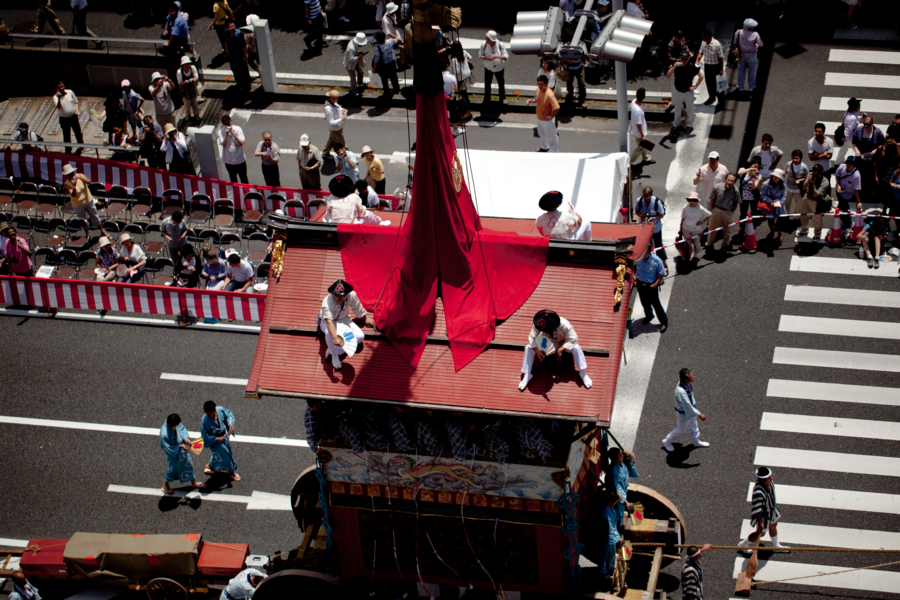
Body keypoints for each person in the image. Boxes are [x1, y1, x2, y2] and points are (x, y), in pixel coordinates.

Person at [519, 309, 592, 391]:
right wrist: (537, 351)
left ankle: (582, 372)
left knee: (576, 347)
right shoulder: (539, 323)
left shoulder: (564, 324)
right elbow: (531, 338)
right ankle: (527, 374)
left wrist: (560, 350)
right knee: (527, 348)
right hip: (546, 343)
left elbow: (573, 338)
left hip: (563, 343)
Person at [319, 278, 373, 370]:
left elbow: (357, 307)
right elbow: (329, 322)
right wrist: (335, 338)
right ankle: (334, 354)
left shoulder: (352, 295)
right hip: (327, 322)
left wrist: (365, 318)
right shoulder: (327, 302)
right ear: (333, 294)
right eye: (337, 295)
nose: (340, 297)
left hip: (344, 320)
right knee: (329, 332)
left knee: (360, 336)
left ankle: (336, 350)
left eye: (343, 295)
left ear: (347, 293)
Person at [738, 466, 789, 553]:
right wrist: (760, 523)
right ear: (762, 479)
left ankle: (775, 545)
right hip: (764, 516)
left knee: (773, 525)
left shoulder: (769, 482)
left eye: (770, 476)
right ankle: (743, 544)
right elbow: (757, 509)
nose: (771, 478)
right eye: (768, 477)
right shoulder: (758, 491)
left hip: (772, 511)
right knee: (760, 533)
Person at [662, 368, 708, 451]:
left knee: (694, 425)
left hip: (691, 411)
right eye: (691, 376)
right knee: (681, 430)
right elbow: (687, 405)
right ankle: (667, 441)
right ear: (686, 379)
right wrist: (699, 414)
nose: (693, 377)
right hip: (684, 414)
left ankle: (696, 441)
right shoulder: (681, 391)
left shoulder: (685, 384)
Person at [160, 413, 205, 496]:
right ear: (170, 424)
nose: (177, 426)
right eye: (175, 425)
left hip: (182, 451)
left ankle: (194, 482)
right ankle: (165, 484)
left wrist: (185, 438)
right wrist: (180, 446)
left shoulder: (175, 424)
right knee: (172, 470)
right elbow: (168, 447)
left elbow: (182, 429)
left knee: (189, 465)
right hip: (174, 455)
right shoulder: (164, 434)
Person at [61, 164, 105, 237]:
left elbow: (89, 182)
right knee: (83, 220)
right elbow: (73, 194)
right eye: (69, 174)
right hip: (78, 204)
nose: (71, 175)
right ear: (66, 175)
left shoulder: (80, 175)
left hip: (88, 200)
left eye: (72, 173)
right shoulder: (66, 183)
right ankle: (87, 234)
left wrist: (81, 178)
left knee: (95, 217)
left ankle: (102, 231)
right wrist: (74, 186)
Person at [201, 400, 239, 480]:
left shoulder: (220, 410)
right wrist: (216, 439)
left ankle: (211, 466)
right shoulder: (205, 420)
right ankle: (231, 472)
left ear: (214, 409)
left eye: (210, 413)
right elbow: (205, 434)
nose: (208, 415)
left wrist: (230, 424)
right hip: (214, 441)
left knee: (226, 451)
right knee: (226, 455)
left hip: (224, 436)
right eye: (207, 413)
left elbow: (229, 415)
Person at [667, 50, 702, 136]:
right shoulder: (677, 66)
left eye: (685, 59)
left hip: (687, 92)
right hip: (678, 91)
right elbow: (668, 74)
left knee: (690, 109)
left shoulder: (691, 67)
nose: (683, 61)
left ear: (688, 59)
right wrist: (674, 67)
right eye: (682, 59)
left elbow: (701, 76)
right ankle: (676, 124)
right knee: (677, 109)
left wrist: (695, 87)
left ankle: (689, 125)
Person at [634, 245, 667, 332]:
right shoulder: (638, 259)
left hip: (651, 286)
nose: (643, 255)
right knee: (644, 302)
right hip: (641, 285)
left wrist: (656, 284)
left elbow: (661, 274)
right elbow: (633, 267)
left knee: (656, 304)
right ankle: (649, 316)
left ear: (649, 251)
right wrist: (634, 276)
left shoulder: (656, 261)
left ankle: (664, 322)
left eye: (645, 253)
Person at [851, 116, 886, 199]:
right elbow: (854, 142)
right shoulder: (858, 131)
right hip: (861, 157)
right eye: (864, 124)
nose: (866, 126)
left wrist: (875, 150)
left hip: (872, 157)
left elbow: (882, 143)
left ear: (872, 124)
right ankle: (860, 192)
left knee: (872, 175)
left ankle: (871, 193)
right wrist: (856, 151)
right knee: (860, 174)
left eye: (868, 124)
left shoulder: (877, 132)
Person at [705, 173, 740, 252]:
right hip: (716, 209)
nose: (729, 182)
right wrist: (713, 210)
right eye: (728, 180)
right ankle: (709, 244)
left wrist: (732, 212)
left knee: (726, 230)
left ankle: (724, 245)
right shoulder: (717, 187)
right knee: (712, 228)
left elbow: (736, 202)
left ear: (734, 182)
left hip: (727, 211)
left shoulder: (736, 191)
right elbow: (712, 199)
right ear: (725, 180)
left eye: (732, 181)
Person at [526, 74, 560, 153]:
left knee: (552, 137)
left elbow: (556, 107)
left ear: (546, 84)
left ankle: (554, 152)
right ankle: (545, 147)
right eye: (538, 84)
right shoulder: (538, 89)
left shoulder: (549, 94)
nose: (540, 86)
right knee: (541, 133)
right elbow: (537, 98)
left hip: (547, 120)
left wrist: (551, 116)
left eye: (541, 84)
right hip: (539, 117)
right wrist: (531, 100)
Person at [635, 187, 667, 268]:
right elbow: (636, 211)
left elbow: (661, 214)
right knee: (648, 246)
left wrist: (652, 218)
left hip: (656, 228)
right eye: (644, 196)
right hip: (645, 228)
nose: (645, 198)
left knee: (659, 245)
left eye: (647, 196)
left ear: (651, 195)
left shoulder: (656, 202)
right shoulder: (639, 201)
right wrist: (641, 215)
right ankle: (649, 263)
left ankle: (663, 263)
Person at [799, 164, 831, 241]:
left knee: (816, 219)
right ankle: (804, 229)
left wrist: (813, 184)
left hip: (816, 201)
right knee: (803, 215)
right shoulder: (810, 176)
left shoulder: (825, 182)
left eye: (818, 172)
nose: (815, 174)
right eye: (814, 171)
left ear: (821, 173)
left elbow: (816, 194)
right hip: (807, 198)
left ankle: (817, 234)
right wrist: (809, 180)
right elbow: (803, 187)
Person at [606, 447, 637, 525]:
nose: (622, 455)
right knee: (617, 513)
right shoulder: (614, 472)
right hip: (617, 496)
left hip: (623, 492)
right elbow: (618, 490)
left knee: (621, 511)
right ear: (615, 458)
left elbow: (632, 460)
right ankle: (616, 528)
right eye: (620, 455)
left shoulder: (622, 463)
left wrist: (629, 453)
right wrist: (626, 502)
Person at [52, 81, 83, 154]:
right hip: (64, 119)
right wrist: (59, 97)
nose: (61, 88)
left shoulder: (70, 92)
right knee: (66, 135)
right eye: (59, 87)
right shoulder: (55, 97)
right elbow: (59, 107)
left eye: (62, 86)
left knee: (78, 132)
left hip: (73, 117)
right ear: (57, 88)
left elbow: (75, 102)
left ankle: (81, 145)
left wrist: (77, 110)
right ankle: (68, 149)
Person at [733, 18, 762, 95]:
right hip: (751, 55)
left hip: (741, 54)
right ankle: (751, 87)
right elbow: (761, 44)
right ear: (751, 27)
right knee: (752, 71)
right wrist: (757, 45)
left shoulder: (738, 32)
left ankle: (740, 87)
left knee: (741, 70)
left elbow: (735, 43)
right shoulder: (755, 34)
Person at [835, 156, 863, 234]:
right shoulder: (841, 167)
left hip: (847, 193)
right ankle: (846, 222)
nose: (849, 165)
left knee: (842, 208)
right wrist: (839, 185)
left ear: (854, 165)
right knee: (843, 207)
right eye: (848, 163)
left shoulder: (856, 175)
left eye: (851, 164)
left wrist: (858, 201)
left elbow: (856, 189)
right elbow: (837, 175)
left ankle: (849, 224)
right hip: (839, 190)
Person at [696, 28, 724, 105]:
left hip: (715, 67)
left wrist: (721, 69)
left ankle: (721, 101)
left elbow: (721, 58)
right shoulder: (703, 43)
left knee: (718, 85)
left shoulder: (717, 44)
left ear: (707, 37)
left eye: (703, 37)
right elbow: (700, 52)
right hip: (707, 66)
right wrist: (697, 60)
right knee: (709, 83)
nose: (702, 38)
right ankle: (712, 97)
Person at [679, 192, 711, 261]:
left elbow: (709, 214)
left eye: (694, 200)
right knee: (688, 242)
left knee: (696, 243)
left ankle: (695, 254)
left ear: (697, 201)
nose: (692, 202)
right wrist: (681, 229)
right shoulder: (685, 207)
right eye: (690, 200)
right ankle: (690, 253)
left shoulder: (700, 208)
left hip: (696, 229)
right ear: (688, 200)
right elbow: (683, 219)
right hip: (686, 228)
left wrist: (702, 222)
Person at [480, 30, 508, 105]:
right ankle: (487, 98)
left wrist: (496, 56)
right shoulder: (483, 44)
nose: (486, 39)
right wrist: (487, 58)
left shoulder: (500, 44)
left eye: (488, 38)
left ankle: (502, 98)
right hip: (488, 67)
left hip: (499, 67)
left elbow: (506, 56)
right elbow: (481, 55)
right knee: (487, 83)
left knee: (501, 83)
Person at [759, 168, 786, 243]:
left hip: (779, 207)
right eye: (773, 176)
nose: (774, 178)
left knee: (780, 221)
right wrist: (771, 201)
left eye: (777, 177)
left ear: (780, 178)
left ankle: (779, 234)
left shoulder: (783, 185)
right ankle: (772, 231)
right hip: (769, 206)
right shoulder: (765, 184)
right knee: (770, 221)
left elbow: (784, 196)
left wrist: (778, 203)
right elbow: (762, 195)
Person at [217, 114, 247, 183]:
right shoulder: (221, 132)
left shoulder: (238, 129)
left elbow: (241, 143)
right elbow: (223, 144)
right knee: (233, 179)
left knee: (244, 178)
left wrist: (234, 135)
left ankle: (247, 192)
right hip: (229, 160)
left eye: (228, 123)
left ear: (231, 121)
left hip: (239, 159)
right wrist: (227, 134)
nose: (228, 125)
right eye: (226, 124)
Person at [372, 31, 401, 100]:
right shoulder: (390, 41)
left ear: (378, 40)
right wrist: (401, 41)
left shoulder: (378, 48)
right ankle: (396, 90)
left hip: (384, 66)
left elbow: (376, 59)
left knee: (384, 79)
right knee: (394, 77)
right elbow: (397, 39)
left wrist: (374, 68)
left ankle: (387, 92)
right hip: (392, 63)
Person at [737, 158, 762, 238]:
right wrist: (751, 169)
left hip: (752, 196)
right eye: (754, 166)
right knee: (743, 212)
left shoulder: (758, 175)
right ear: (750, 165)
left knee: (754, 211)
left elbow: (754, 188)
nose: (756, 168)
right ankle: (742, 227)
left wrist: (755, 180)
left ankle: (752, 226)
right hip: (743, 196)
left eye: (757, 167)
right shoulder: (744, 170)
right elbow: (739, 172)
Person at [224, 19, 250, 91]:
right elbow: (225, 41)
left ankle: (247, 84)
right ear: (227, 27)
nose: (232, 28)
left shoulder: (239, 34)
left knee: (243, 71)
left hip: (239, 55)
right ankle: (239, 84)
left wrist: (244, 56)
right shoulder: (226, 32)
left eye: (233, 26)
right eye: (230, 27)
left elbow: (243, 45)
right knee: (235, 70)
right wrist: (226, 49)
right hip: (232, 56)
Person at [449, 42, 473, 119]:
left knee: (463, 95)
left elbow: (457, 72)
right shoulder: (464, 52)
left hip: (460, 79)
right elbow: (470, 57)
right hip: (467, 75)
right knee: (464, 93)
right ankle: (467, 109)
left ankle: (468, 111)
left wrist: (454, 83)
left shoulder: (454, 59)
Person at [629, 88, 653, 165]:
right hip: (639, 133)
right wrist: (642, 135)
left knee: (644, 146)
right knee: (640, 148)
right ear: (644, 98)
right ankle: (629, 162)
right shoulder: (638, 111)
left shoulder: (633, 102)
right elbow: (638, 124)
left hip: (636, 131)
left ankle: (647, 158)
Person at [783, 150, 809, 218]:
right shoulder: (788, 164)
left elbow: (807, 177)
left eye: (797, 158)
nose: (795, 160)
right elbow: (785, 170)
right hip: (788, 187)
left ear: (800, 158)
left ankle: (796, 218)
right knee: (786, 203)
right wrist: (784, 173)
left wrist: (801, 179)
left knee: (799, 205)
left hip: (798, 189)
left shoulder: (804, 167)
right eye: (793, 158)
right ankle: (786, 216)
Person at [441, 60, 462, 137]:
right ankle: (455, 129)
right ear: (447, 65)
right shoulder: (451, 77)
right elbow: (456, 89)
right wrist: (452, 86)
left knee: (442, 114)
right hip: (450, 98)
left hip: (440, 98)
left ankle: (443, 130)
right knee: (453, 114)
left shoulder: (436, 76)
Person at [176, 56, 201, 123]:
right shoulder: (179, 72)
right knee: (187, 104)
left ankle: (196, 114)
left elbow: (197, 77)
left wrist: (193, 79)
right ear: (182, 65)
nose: (187, 66)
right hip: (185, 91)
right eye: (185, 65)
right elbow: (180, 83)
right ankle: (188, 115)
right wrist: (185, 82)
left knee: (195, 103)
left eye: (188, 64)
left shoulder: (193, 68)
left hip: (192, 89)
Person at [837, 97, 861, 164]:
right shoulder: (853, 117)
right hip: (850, 138)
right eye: (858, 106)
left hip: (847, 137)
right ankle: (860, 162)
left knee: (843, 149)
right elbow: (849, 129)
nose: (859, 107)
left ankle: (838, 163)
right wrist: (846, 138)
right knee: (858, 150)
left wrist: (860, 118)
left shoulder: (848, 113)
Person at [323, 90, 348, 156]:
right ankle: (347, 155)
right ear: (331, 98)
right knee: (342, 144)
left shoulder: (333, 102)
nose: (338, 99)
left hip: (337, 128)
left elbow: (338, 107)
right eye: (336, 98)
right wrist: (341, 118)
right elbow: (330, 122)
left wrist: (342, 110)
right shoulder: (328, 109)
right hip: (336, 129)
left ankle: (325, 153)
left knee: (332, 140)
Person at [343, 32, 368, 97]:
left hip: (355, 61)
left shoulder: (353, 42)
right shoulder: (351, 48)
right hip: (350, 64)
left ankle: (360, 83)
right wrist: (359, 57)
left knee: (360, 72)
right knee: (353, 77)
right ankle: (354, 91)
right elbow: (351, 59)